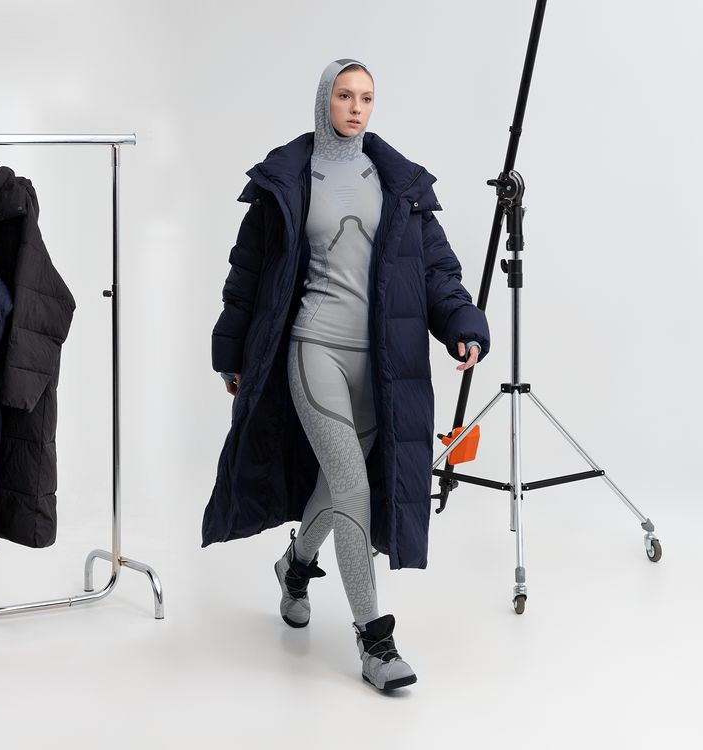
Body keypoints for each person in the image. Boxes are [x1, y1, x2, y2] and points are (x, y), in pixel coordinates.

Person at [204, 58, 490, 692]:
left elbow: (436, 271)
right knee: (353, 487)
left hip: (380, 364)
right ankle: (374, 640)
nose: (356, 108)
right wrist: (233, 354)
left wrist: (463, 326)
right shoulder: (288, 177)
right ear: (323, 100)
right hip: (313, 349)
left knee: (338, 489)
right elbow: (246, 275)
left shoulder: (398, 182)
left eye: (366, 98)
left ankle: (295, 565)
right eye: (344, 96)